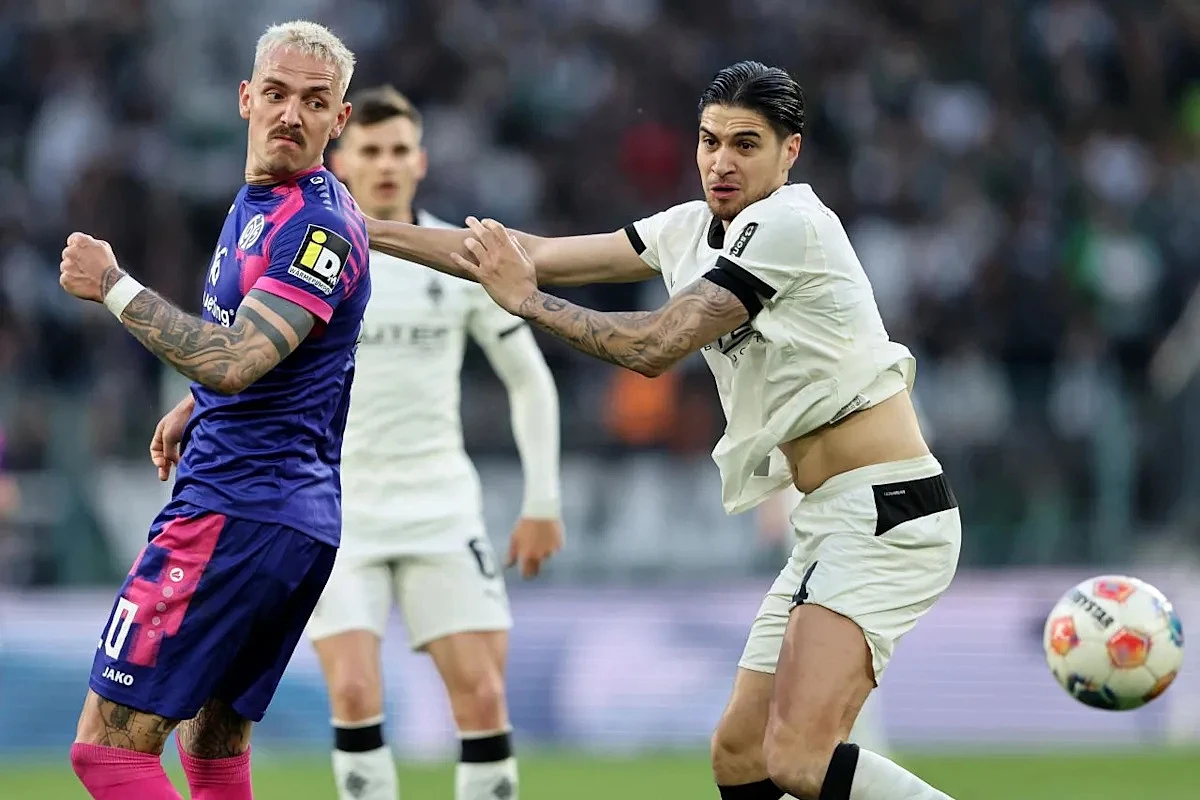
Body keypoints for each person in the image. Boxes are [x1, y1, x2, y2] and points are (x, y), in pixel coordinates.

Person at [365, 61, 963, 800]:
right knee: (740, 756)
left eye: (746, 144)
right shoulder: (688, 229)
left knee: (800, 759)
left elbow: (652, 346)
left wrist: (529, 304)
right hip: (830, 516)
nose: (721, 161)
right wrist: (364, 230)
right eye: (710, 141)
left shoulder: (792, 225)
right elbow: (529, 256)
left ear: (790, 152)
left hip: (885, 510)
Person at [57, 20, 369, 800]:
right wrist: (195, 404)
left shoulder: (318, 225)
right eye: (276, 94)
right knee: (212, 749)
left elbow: (235, 361)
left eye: (314, 102)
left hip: (236, 511)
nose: (291, 114)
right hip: (283, 520)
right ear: (244, 99)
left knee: (108, 753)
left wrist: (113, 286)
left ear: (340, 118)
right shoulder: (264, 203)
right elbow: (276, 355)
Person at [305, 85, 564, 800]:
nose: (386, 164)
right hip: (339, 509)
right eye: (370, 150)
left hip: (440, 505)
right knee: (353, 693)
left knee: (481, 697)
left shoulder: (463, 257)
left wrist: (543, 500)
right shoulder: (311, 260)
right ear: (341, 162)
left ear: (420, 161)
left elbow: (529, 379)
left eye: (399, 150)